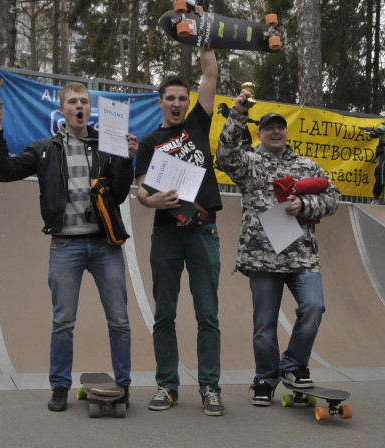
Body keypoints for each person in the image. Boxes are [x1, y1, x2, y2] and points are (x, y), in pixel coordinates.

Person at [0, 82, 138, 413]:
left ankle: (123, 385)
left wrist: (126, 160)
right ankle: (59, 387)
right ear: (63, 109)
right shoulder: (45, 149)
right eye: (72, 102)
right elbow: (5, 171)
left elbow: (121, 194)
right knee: (63, 321)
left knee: (120, 319)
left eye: (84, 101)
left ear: (90, 109)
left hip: (104, 244)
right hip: (65, 244)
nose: (79, 106)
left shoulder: (107, 145)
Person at [217, 89, 341, 407]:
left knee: (314, 307)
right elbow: (226, 156)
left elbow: (332, 198)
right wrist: (238, 114)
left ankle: (294, 365)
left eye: (280, 127)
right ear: (260, 133)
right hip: (262, 258)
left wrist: (305, 204)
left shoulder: (307, 165)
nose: (275, 131)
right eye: (270, 127)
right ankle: (265, 378)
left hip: (301, 256)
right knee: (264, 325)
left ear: (286, 133)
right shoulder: (250, 163)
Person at [134, 5, 224, 416]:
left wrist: (202, 32)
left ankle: (210, 388)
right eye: (169, 98)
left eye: (181, 98)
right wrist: (151, 200)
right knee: (164, 314)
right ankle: (167, 386)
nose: (176, 103)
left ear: (188, 102)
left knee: (208, 314)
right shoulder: (151, 142)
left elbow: (210, 73)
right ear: (160, 102)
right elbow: (140, 190)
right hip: (166, 231)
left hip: (203, 230)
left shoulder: (199, 124)